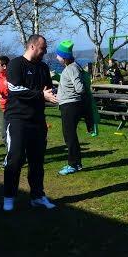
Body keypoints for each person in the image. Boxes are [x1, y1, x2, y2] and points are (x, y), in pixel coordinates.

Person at [3, 34, 58, 211]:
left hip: (38, 120)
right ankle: (9, 196)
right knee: (16, 158)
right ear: (32, 47)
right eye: (43, 48)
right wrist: (40, 95)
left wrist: (50, 95)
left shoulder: (43, 67)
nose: (45, 51)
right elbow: (16, 89)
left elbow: (48, 89)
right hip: (18, 118)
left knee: (37, 160)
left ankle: (37, 195)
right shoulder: (16, 64)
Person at [55, 40, 86, 176]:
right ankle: (76, 163)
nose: (57, 58)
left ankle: (73, 164)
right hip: (68, 105)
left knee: (70, 137)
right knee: (70, 136)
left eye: (58, 55)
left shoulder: (71, 68)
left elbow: (80, 88)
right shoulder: (71, 68)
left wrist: (70, 95)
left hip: (70, 106)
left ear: (64, 57)